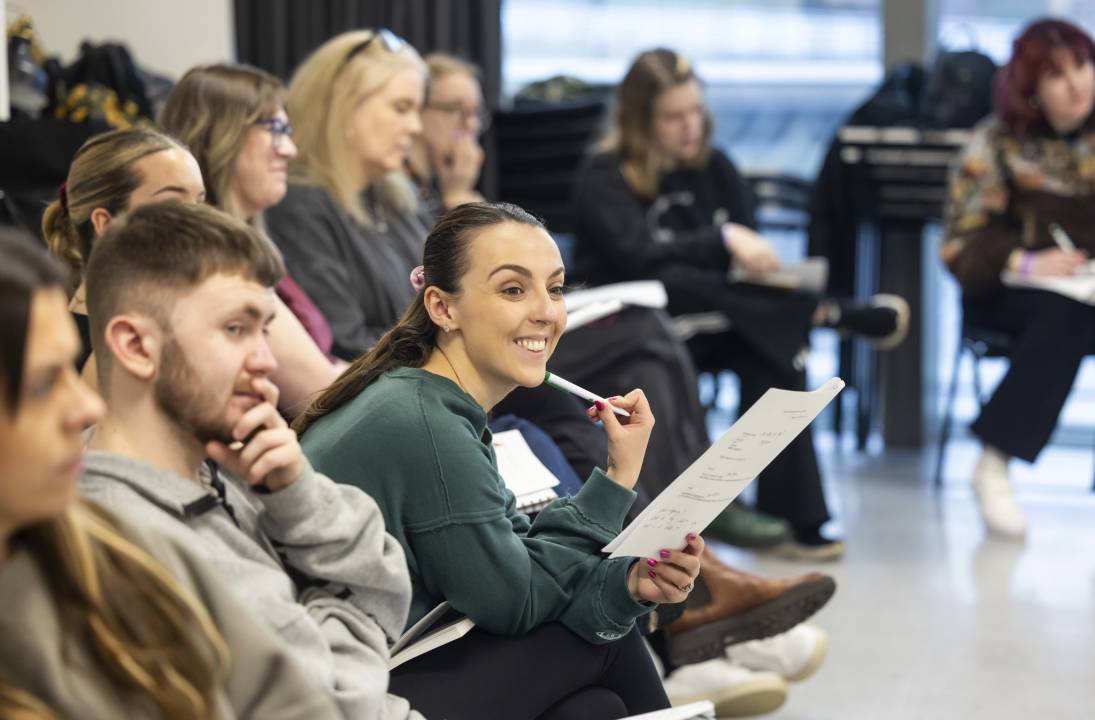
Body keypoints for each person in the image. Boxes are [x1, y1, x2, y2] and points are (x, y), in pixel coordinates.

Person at [296, 201, 699, 720]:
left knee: (592, 709)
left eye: (554, 288)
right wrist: (616, 480)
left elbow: (520, 565)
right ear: (442, 308)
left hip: (387, 669)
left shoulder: (429, 403)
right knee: (603, 646)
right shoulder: (425, 424)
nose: (546, 311)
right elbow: (517, 600)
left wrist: (627, 586)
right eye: (514, 289)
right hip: (352, 696)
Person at [76, 201, 422, 719]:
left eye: (264, 329)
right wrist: (336, 617)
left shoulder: (220, 463)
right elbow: (334, 706)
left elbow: (387, 583)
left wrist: (297, 495)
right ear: (135, 346)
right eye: (236, 329)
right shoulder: (129, 543)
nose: (266, 360)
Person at [572, 48, 911, 557]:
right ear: (641, 121)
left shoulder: (718, 168)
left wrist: (743, 258)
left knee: (775, 349)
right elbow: (638, 259)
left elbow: (731, 260)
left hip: (720, 318)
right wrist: (722, 237)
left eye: (696, 111)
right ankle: (825, 310)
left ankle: (795, 517)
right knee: (687, 287)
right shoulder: (604, 176)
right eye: (673, 116)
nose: (690, 127)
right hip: (639, 327)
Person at [0, 229, 339, 719]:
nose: (86, 405)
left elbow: (292, 697)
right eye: (40, 385)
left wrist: (298, 497)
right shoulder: (132, 527)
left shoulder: (108, 552)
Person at [41, 126, 337, 416]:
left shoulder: (179, 318)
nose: (199, 221)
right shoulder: (82, 352)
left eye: (200, 202)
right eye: (174, 204)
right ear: (105, 225)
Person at [942, 18, 1095, 539]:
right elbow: (958, 245)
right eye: (1057, 76)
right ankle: (994, 462)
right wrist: (1026, 263)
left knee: (1076, 311)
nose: (1077, 84)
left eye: (1083, 66)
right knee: (1064, 316)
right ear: (1031, 91)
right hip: (1005, 292)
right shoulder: (994, 143)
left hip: (1086, 286)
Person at [159, 63, 346, 413]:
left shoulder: (250, 248)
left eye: (288, 131)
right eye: (274, 128)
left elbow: (329, 368)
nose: (289, 150)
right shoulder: (212, 262)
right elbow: (320, 390)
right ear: (218, 135)